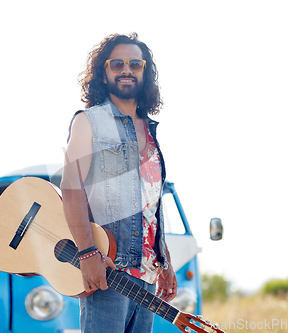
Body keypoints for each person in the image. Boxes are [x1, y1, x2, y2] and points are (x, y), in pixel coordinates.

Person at [60, 33, 177, 333]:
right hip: (108, 272)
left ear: (145, 71)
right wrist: (87, 254)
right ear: (104, 72)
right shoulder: (89, 122)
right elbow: (71, 191)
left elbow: (150, 204)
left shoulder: (151, 132)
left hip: (148, 279)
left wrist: (164, 262)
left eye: (135, 64)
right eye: (117, 64)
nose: (127, 70)